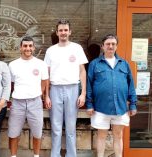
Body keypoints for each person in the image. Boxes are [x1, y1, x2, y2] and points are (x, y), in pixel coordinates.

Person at [86, 34, 137, 157]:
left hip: (121, 107)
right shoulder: (95, 64)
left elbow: (131, 85)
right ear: (103, 47)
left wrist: (133, 104)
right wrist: (89, 104)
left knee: (118, 135)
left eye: (113, 44)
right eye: (108, 44)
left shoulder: (124, 64)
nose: (111, 46)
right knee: (101, 136)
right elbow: (89, 85)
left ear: (116, 46)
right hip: (100, 107)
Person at [44, 19, 88, 157]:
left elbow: (82, 71)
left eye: (65, 30)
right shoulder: (51, 50)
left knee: (70, 128)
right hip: (55, 89)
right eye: (61, 30)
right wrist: (46, 95)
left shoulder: (77, 48)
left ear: (70, 31)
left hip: (73, 89)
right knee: (56, 128)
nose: (63, 32)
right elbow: (47, 74)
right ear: (57, 32)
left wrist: (83, 93)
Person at [8, 36, 49, 157]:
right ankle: (13, 156)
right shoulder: (13, 65)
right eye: (25, 46)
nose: (28, 48)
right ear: (20, 48)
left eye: (30, 46)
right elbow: (10, 84)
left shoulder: (41, 64)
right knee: (13, 133)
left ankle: (36, 155)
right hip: (17, 103)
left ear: (34, 48)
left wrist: (40, 94)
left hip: (35, 102)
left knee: (37, 133)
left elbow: (44, 81)